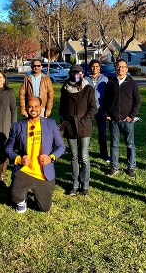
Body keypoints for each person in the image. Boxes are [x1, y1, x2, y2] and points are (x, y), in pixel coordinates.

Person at [5, 96, 65, 213]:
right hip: (25, 170)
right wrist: (18, 159)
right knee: (15, 196)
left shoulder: (50, 124)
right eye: (30, 106)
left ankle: (36, 193)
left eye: (36, 106)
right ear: (26, 108)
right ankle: (22, 199)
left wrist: (51, 158)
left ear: (41, 107)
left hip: (43, 172)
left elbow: (61, 147)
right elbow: (8, 148)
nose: (33, 109)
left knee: (44, 208)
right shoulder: (18, 126)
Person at [59, 65, 97, 196]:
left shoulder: (88, 88)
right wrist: (64, 123)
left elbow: (93, 108)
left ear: (82, 73)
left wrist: (83, 121)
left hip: (84, 126)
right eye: (74, 72)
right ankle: (75, 184)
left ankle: (85, 184)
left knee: (84, 156)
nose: (76, 75)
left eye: (78, 72)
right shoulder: (65, 89)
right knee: (74, 156)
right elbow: (62, 108)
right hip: (70, 126)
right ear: (70, 73)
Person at [104, 58, 141, 177]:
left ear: (127, 69)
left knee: (130, 145)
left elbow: (137, 102)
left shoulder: (132, 83)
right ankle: (114, 167)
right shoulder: (111, 83)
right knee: (114, 145)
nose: (120, 69)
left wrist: (131, 116)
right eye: (118, 67)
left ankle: (131, 167)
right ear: (115, 68)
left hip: (127, 121)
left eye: (123, 67)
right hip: (114, 120)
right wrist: (107, 113)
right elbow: (106, 100)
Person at [85, 59, 109, 162]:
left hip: (101, 110)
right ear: (90, 67)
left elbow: (109, 95)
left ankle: (104, 154)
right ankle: (84, 153)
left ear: (100, 68)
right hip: (88, 110)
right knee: (86, 133)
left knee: (102, 133)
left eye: (97, 66)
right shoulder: (85, 79)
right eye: (93, 66)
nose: (95, 68)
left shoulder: (105, 79)